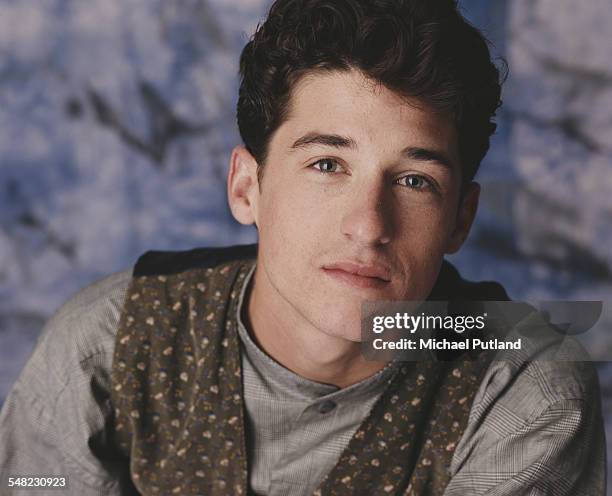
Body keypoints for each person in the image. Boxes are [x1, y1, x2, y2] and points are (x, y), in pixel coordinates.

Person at [0, 0, 606, 494]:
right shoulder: (110, 342)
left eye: (415, 181)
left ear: (459, 220)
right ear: (247, 188)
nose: (368, 225)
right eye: (326, 164)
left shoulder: (518, 381)